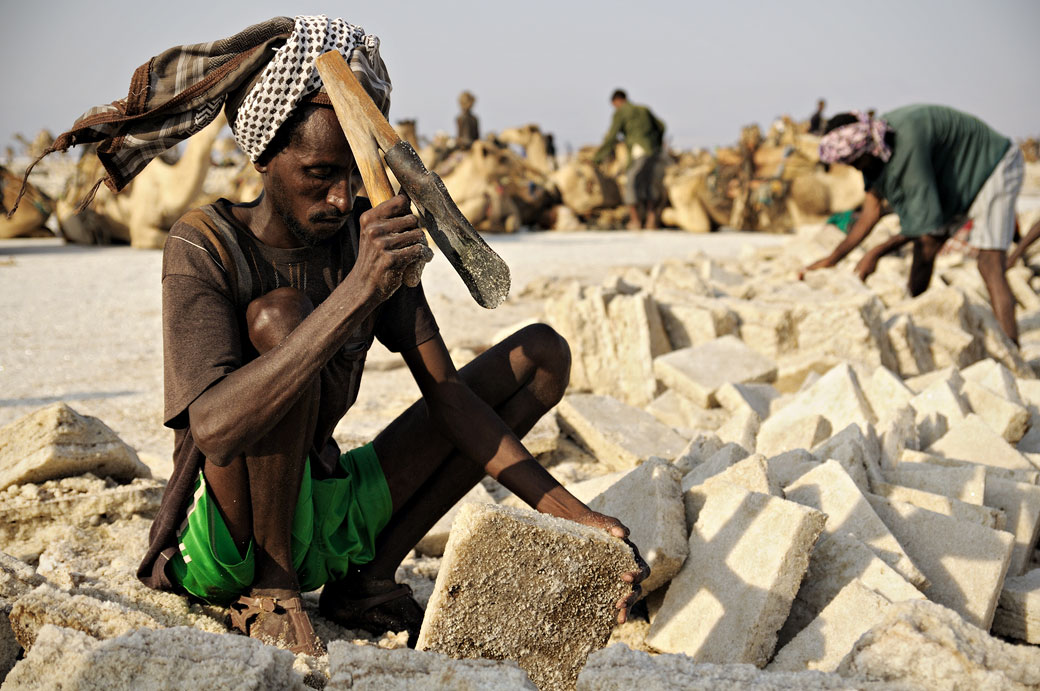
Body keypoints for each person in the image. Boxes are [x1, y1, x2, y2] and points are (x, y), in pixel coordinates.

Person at [30, 16, 647, 657]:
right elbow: (213, 429)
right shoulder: (204, 243)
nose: (340, 196)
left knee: (540, 355)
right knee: (282, 318)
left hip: (327, 508)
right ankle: (273, 590)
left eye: (354, 176)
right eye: (320, 174)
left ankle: (365, 576)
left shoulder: (363, 234)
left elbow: (449, 398)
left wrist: (576, 518)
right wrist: (360, 290)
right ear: (264, 156)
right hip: (232, 536)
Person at [800, 106, 1025, 345]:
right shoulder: (874, 152)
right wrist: (832, 259)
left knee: (989, 263)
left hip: (992, 165)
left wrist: (876, 253)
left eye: (855, 161)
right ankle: (917, 317)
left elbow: (923, 222)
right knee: (926, 247)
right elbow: (871, 212)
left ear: (863, 148)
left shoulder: (905, 146)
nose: (854, 167)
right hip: (955, 180)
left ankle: (1012, 350)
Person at [593, 89, 667, 230]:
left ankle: (635, 221)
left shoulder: (621, 112)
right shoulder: (644, 109)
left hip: (638, 151)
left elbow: (611, 136)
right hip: (653, 152)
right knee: (649, 183)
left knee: (631, 181)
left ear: (617, 101)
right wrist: (655, 142)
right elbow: (662, 126)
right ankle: (651, 220)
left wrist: (598, 158)